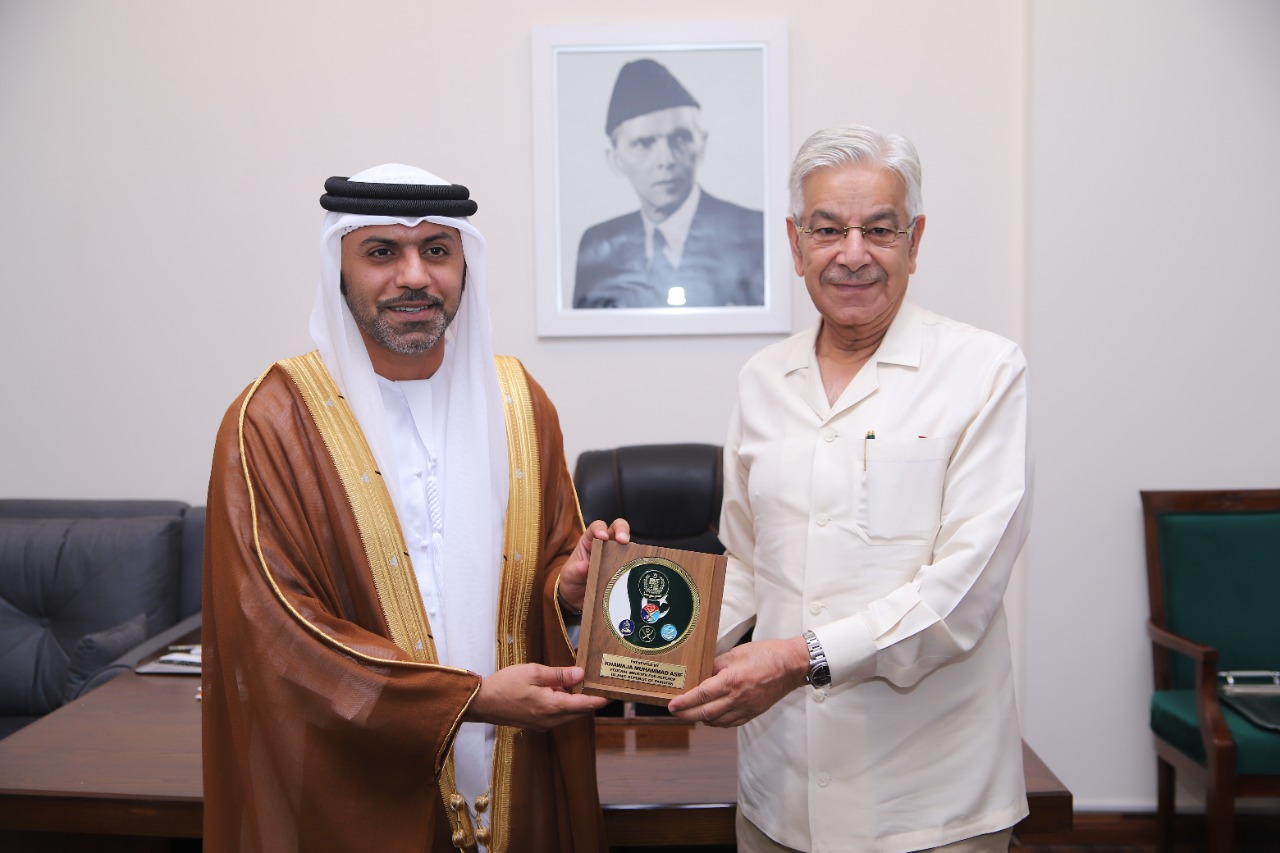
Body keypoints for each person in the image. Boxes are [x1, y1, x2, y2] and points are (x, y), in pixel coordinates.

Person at [201, 163, 628, 853]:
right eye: (381, 252)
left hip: (515, 774)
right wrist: (468, 699)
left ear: (463, 263)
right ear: (339, 269)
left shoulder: (518, 401)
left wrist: (569, 587)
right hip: (359, 792)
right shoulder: (273, 420)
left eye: (436, 250)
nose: (414, 276)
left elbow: (542, 563)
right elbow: (277, 631)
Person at [668, 125, 1033, 853]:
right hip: (779, 796)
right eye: (828, 229)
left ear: (914, 241)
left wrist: (796, 658)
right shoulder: (762, 379)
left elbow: (959, 595)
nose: (853, 253)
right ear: (796, 242)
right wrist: (642, 637)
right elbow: (746, 565)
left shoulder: (985, 371)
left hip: (927, 802)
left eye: (880, 229)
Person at [573, 58, 764, 309]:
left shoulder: (753, 231)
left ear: (702, 145)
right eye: (644, 144)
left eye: (681, 138)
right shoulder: (598, 245)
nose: (666, 160)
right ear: (615, 159)